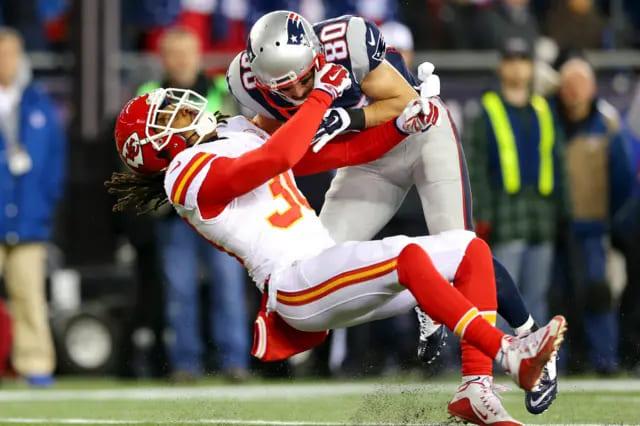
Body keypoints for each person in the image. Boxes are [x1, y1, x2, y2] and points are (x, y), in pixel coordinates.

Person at [106, 64, 567, 426]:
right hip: (295, 285)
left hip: (325, 266)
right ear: (160, 147)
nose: (186, 108)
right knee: (408, 257)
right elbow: (279, 156)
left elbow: (338, 152)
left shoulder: (233, 133)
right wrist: (323, 93)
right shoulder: (183, 176)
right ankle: (508, 352)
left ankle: (475, 387)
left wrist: (404, 128)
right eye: (174, 115)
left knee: (469, 249)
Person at [226, 11, 557, 415]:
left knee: (464, 253)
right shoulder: (247, 86)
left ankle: (518, 348)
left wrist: (349, 116)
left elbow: (405, 101)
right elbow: (288, 153)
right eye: (282, 85)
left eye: (302, 77)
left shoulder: (346, 42)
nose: (295, 90)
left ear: (316, 54)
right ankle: (423, 301)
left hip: (419, 131)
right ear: (258, 78)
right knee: (317, 265)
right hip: (363, 160)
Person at [136, 27, 249, 381]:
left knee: (228, 288)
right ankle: (186, 364)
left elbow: (240, 143)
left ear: (199, 55)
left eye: (188, 52)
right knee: (179, 291)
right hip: (174, 212)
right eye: (175, 53)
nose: (182, 60)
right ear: (163, 58)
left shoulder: (220, 92)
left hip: (218, 207)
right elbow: (135, 155)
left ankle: (235, 362)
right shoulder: (147, 96)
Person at [554, 57, 634, 374]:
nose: (573, 90)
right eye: (568, 83)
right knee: (557, 298)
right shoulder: (548, 119)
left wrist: (607, 219)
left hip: (592, 227)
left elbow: (624, 180)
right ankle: (555, 361)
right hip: (557, 227)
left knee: (597, 295)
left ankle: (605, 359)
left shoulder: (606, 125)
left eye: (580, 83)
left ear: (592, 87)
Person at [0, 28, 66, 386]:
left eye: (11, 54)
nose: (5, 62)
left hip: (28, 217)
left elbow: (55, 162)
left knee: (30, 297)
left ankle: (36, 365)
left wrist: (45, 203)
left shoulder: (38, 102)